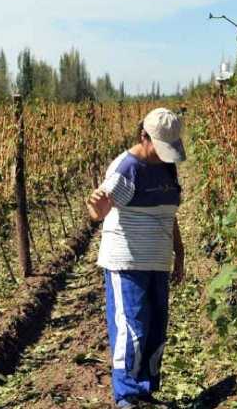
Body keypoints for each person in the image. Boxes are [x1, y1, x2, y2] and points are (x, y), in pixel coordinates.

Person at [86, 107, 186, 408]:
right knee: (133, 326)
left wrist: (179, 253)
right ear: (144, 136)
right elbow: (98, 212)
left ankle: (145, 391)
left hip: (157, 261)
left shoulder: (167, 166)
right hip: (127, 261)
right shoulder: (126, 168)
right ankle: (127, 396)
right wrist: (94, 205)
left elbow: (169, 213)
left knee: (156, 326)